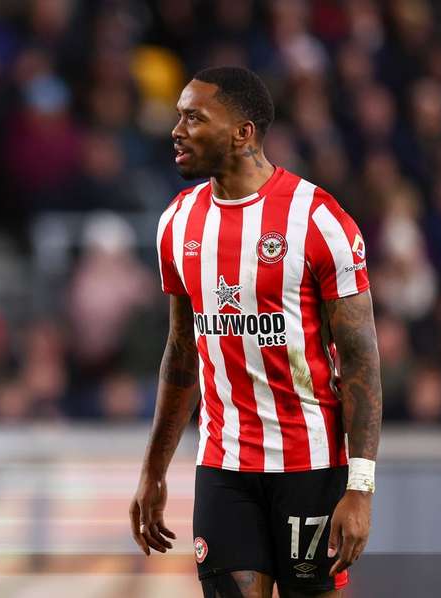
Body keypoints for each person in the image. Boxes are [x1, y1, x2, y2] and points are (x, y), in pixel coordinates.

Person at [130, 66, 381, 598]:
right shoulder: (176, 223)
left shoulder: (318, 219)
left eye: (194, 117)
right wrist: (154, 469)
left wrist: (360, 486)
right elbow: (181, 353)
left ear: (243, 133)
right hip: (224, 464)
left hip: (309, 463)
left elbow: (360, 358)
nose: (177, 129)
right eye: (178, 115)